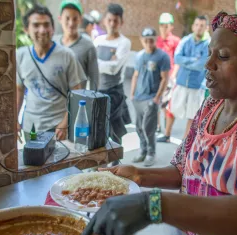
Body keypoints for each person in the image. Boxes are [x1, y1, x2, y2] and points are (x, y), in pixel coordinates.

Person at [80, 8, 237, 235]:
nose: (208, 64)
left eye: (223, 56)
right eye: (209, 53)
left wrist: (154, 205)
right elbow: (182, 170)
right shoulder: (211, 106)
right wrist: (138, 175)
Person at [16, 5, 86, 140]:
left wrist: (65, 123)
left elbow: (77, 93)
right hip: (31, 127)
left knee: (60, 160)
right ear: (26, 29)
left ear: (53, 29)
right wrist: (14, 120)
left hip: (58, 127)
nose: (42, 30)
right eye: (36, 25)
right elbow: (18, 90)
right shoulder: (21, 55)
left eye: (46, 25)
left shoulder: (67, 55)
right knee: (33, 161)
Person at [157, 15, 210, 143]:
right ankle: (167, 134)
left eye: (202, 25)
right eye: (196, 25)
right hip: (181, 83)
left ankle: (184, 141)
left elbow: (201, 64)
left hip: (196, 86)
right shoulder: (186, 40)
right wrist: (193, 60)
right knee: (172, 108)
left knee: (192, 115)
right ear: (193, 26)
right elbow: (177, 58)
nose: (198, 28)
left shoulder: (209, 44)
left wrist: (187, 61)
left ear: (207, 28)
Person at [130, 27, 170, 166]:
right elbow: (135, 75)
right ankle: (143, 151)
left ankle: (151, 153)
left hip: (151, 98)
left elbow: (165, 79)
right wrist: (132, 94)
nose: (148, 43)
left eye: (151, 40)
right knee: (139, 127)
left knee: (149, 128)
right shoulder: (139, 56)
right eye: (145, 40)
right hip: (138, 98)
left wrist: (157, 98)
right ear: (141, 40)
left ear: (155, 40)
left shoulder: (162, 56)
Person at [93, 3, 132, 146]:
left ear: (121, 22)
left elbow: (113, 69)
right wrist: (107, 62)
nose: (112, 24)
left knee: (115, 131)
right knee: (98, 128)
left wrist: (97, 63)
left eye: (116, 21)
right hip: (97, 90)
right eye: (109, 20)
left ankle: (116, 163)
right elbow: (91, 65)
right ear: (104, 20)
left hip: (114, 92)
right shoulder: (98, 40)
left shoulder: (124, 42)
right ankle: (101, 164)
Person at [53, 0, 99, 91]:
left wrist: (93, 103)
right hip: (55, 102)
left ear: (80, 20)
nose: (71, 23)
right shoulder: (53, 43)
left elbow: (94, 79)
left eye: (75, 19)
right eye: (67, 18)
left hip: (77, 102)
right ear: (60, 19)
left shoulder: (88, 46)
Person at [156, 12, 181, 133]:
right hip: (157, 77)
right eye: (162, 25)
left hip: (170, 77)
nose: (164, 28)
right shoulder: (157, 40)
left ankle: (167, 130)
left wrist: (173, 75)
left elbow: (178, 60)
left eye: (167, 25)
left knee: (167, 104)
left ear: (171, 27)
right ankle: (157, 126)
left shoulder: (176, 41)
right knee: (155, 102)